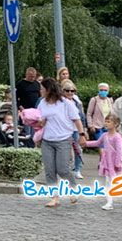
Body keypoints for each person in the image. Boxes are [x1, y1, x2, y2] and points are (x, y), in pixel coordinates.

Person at [38, 78, 86, 207]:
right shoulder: (42, 103)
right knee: (49, 170)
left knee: (63, 169)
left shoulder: (66, 103)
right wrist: (35, 122)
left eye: (42, 89)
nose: (40, 91)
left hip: (63, 140)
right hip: (47, 140)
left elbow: (77, 120)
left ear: (49, 90)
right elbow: (41, 121)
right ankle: (54, 197)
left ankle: (73, 189)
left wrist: (81, 135)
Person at [83, 114, 122, 210]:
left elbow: (119, 151)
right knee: (108, 183)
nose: (106, 123)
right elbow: (97, 143)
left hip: (116, 164)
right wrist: (86, 143)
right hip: (107, 164)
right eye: (106, 121)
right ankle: (109, 202)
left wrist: (118, 163)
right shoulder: (104, 135)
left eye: (108, 121)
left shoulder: (118, 137)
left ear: (116, 124)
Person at [61, 79, 85, 179]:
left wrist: (83, 130)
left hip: (75, 129)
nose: (70, 92)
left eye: (72, 90)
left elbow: (81, 115)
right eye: (67, 90)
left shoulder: (76, 100)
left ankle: (77, 169)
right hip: (64, 129)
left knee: (78, 149)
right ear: (63, 91)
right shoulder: (60, 101)